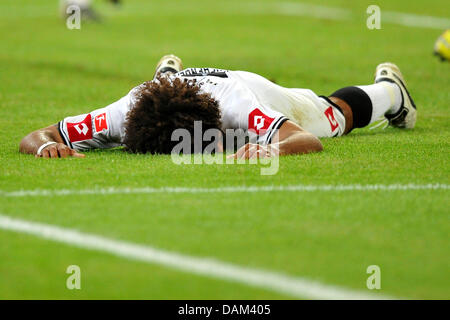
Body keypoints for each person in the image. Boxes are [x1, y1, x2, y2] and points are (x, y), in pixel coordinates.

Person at [19, 55, 416, 159]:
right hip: (178, 91)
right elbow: (38, 135)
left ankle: (390, 91)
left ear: (215, 130)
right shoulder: (122, 114)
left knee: (331, 116)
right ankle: (168, 75)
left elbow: (306, 139)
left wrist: (271, 147)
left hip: (246, 84)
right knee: (162, 88)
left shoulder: (240, 109)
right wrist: (43, 146)